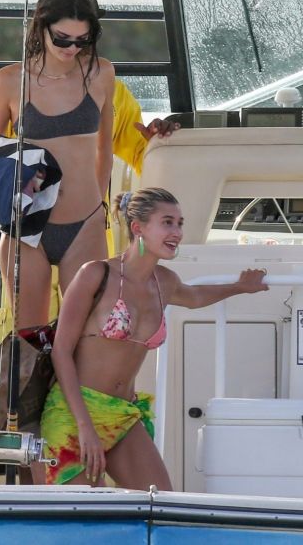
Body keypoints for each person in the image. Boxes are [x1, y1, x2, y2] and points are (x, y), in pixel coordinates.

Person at [40, 187, 269, 489]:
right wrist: (84, 426)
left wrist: (239, 287)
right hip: (74, 412)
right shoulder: (95, 274)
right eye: (167, 222)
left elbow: (195, 296)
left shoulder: (165, 282)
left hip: (123, 413)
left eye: (180, 223)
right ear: (138, 228)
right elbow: (61, 351)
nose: (177, 232)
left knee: (159, 500)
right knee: (91, 511)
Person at [0, 0, 115, 330]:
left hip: (85, 223)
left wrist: (99, 209)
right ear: (41, 26)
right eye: (62, 39)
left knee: (89, 334)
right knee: (29, 338)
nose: (72, 48)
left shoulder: (102, 73)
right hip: (27, 227)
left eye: (81, 40)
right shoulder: (10, 80)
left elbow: (105, 148)